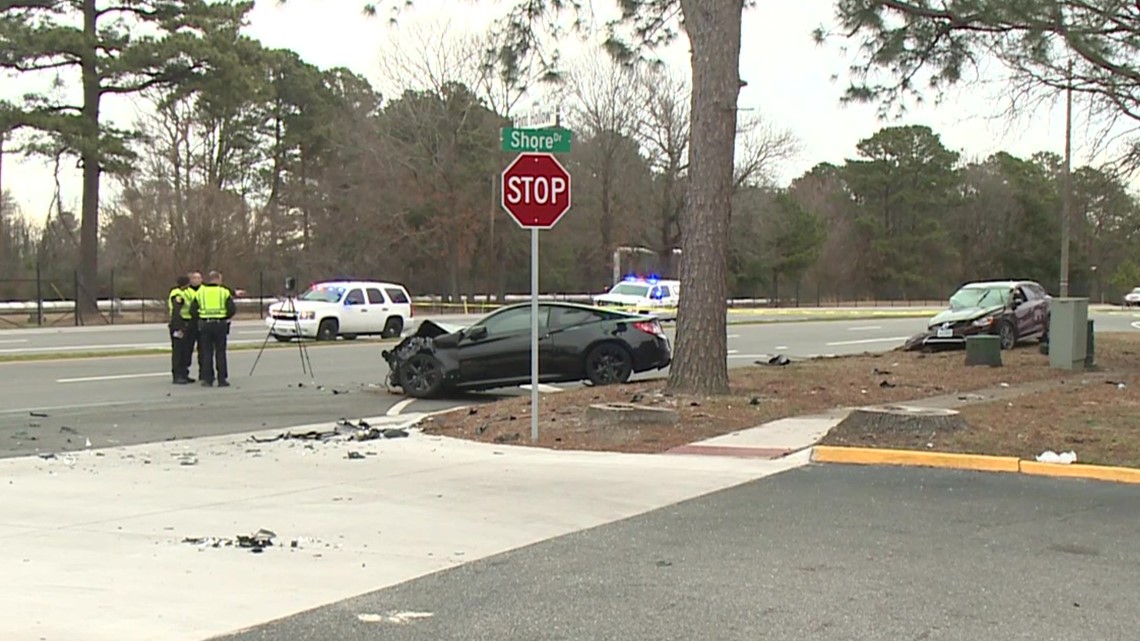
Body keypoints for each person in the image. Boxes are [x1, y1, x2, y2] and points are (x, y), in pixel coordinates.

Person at [190, 270, 237, 387]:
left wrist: (201, 318)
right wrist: (225, 317)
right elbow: (232, 309)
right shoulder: (224, 292)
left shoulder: (200, 292)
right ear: (217, 279)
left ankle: (207, 379)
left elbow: (192, 310)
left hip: (205, 324)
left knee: (206, 352)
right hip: (220, 324)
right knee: (220, 352)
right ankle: (222, 379)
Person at [167, 275, 194, 384]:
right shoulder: (177, 294)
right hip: (179, 324)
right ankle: (177, 375)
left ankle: (184, 373)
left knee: (186, 350)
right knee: (178, 350)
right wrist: (179, 327)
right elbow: (176, 312)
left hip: (188, 323)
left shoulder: (188, 292)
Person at [185, 271, 203, 380]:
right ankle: (185, 373)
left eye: (199, 278)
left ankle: (204, 373)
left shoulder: (205, 290)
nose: (197, 280)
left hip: (202, 322)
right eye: (195, 278)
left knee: (204, 350)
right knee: (187, 349)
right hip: (190, 322)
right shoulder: (186, 291)